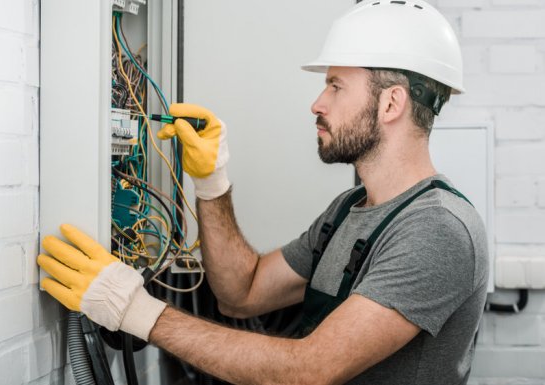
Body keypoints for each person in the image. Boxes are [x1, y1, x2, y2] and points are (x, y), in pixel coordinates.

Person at [38, 1, 489, 384]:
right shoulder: (351, 209)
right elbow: (243, 291)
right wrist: (212, 183)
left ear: (391, 103)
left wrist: (136, 311)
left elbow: (311, 369)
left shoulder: (437, 229)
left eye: (335, 85)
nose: (318, 102)